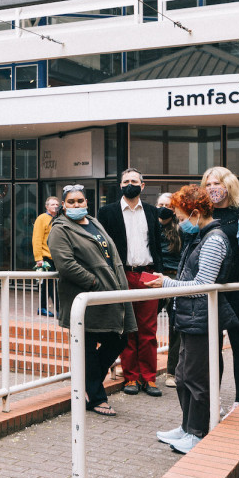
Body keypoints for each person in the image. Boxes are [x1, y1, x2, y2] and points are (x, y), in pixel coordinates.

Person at [149, 185, 237, 454]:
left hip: (201, 317)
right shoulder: (200, 237)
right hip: (191, 316)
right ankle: (187, 427)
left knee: (196, 378)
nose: (178, 222)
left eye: (180, 216)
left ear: (196, 213)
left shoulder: (213, 239)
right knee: (184, 374)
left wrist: (166, 283)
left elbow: (201, 285)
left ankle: (198, 432)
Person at [49, 184, 136, 418]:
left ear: (86, 202)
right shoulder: (60, 228)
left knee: (119, 338)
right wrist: (93, 282)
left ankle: (88, 384)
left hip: (110, 294)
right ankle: (96, 396)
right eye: (71, 202)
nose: (76, 205)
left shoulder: (94, 222)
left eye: (80, 201)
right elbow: (65, 264)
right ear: (64, 206)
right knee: (87, 346)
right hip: (85, 298)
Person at [97, 168, 164, 397]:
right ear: (120, 185)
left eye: (134, 181)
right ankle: (131, 378)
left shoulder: (153, 212)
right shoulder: (107, 212)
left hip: (148, 275)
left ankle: (149, 378)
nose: (130, 184)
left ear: (142, 185)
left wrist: (160, 275)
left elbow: (158, 246)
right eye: (125, 181)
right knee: (126, 329)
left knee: (148, 330)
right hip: (122, 275)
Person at [201, 166, 239, 413]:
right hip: (211, 288)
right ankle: (214, 400)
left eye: (217, 183)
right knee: (212, 347)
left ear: (229, 184)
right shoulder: (202, 214)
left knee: (238, 344)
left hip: (237, 287)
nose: (213, 188)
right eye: (208, 184)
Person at [156, 192, 182, 388]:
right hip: (155, 277)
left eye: (167, 205)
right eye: (160, 204)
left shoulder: (181, 229)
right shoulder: (150, 227)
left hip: (174, 278)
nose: (163, 207)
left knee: (175, 328)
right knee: (144, 323)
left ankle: (172, 371)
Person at [32, 196, 61, 317]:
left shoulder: (58, 218)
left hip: (56, 257)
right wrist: (38, 258)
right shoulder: (42, 218)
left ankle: (42, 308)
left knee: (46, 285)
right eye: (52, 204)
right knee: (53, 285)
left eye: (57, 204)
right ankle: (60, 310)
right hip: (46, 258)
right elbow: (37, 238)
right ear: (47, 206)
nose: (55, 206)